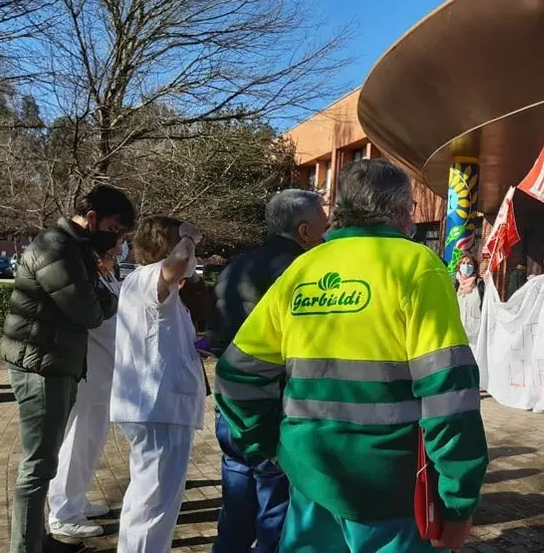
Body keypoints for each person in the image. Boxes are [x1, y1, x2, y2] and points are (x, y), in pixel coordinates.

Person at [215, 159, 489, 552]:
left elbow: (236, 373)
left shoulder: (302, 269)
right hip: (391, 489)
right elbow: (449, 393)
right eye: (411, 208)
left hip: (309, 477)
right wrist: (459, 500)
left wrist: (269, 447)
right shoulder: (417, 266)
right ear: (397, 211)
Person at [0, 185, 135, 553]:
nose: (118, 239)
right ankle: (27, 547)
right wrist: (106, 297)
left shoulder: (75, 247)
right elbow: (88, 312)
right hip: (41, 365)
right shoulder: (56, 247)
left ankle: (37, 539)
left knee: (43, 462)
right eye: (116, 228)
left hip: (54, 360)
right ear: (91, 218)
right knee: (38, 465)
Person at [208, 189, 327, 553]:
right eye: (324, 223)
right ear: (305, 230)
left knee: (237, 497)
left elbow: (216, 337)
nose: (328, 230)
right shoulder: (303, 273)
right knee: (276, 505)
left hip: (232, 403)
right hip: (275, 405)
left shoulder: (235, 266)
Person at [110, 216, 207, 552]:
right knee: (153, 504)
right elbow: (177, 262)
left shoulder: (159, 290)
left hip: (160, 405)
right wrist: (189, 237)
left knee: (154, 500)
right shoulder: (148, 277)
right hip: (158, 407)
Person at [46, 243, 124, 540]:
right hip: (90, 374)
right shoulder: (89, 283)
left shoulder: (106, 278)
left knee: (90, 442)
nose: (116, 254)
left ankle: (76, 499)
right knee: (78, 441)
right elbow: (105, 321)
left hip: (105, 376)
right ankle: (64, 513)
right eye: (111, 251)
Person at [454, 252, 485, 348]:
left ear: (474, 267)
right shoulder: (455, 285)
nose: (466, 266)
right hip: (457, 335)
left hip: (475, 336)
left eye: (469, 264)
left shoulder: (480, 285)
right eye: (463, 263)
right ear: (459, 267)